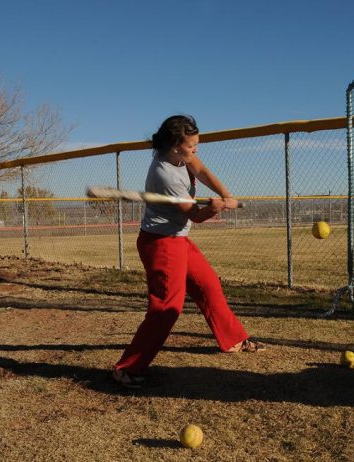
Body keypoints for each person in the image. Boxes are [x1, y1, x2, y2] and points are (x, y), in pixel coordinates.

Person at [112, 115, 265, 389]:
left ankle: (233, 340)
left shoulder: (181, 157)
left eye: (196, 143)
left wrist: (226, 195)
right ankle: (127, 368)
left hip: (178, 239)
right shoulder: (165, 175)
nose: (196, 149)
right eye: (191, 145)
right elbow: (195, 215)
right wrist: (214, 209)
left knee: (208, 284)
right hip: (161, 243)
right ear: (174, 146)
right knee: (167, 308)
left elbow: (202, 170)